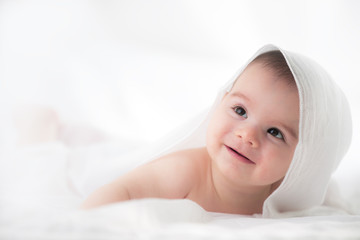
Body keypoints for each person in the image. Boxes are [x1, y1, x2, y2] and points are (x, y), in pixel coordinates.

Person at [80, 48, 302, 215]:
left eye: (275, 132)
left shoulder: (287, 197)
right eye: (240, 110)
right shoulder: (183, 172)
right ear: (220, 102)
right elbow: (120, 192)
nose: (247, 135)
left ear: (302, 157)